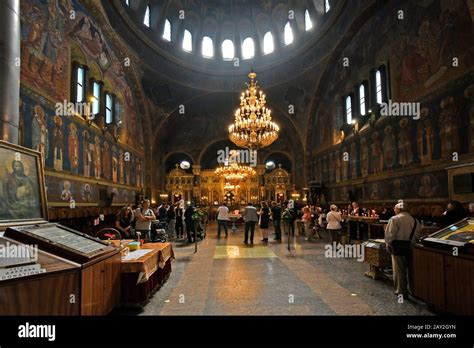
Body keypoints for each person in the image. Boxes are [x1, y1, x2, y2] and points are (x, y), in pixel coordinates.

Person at [385, 201, 422, 299]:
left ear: (398, 209)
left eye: (395, 209)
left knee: (399, 270)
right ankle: (413, 291)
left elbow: (390, 235)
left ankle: (401, 291)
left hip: (398, 246)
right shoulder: (415, 220)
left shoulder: (394, 219)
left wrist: (388, 244)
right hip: (412, 246)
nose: (394, 210)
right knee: (411, 269)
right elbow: (418, 234)